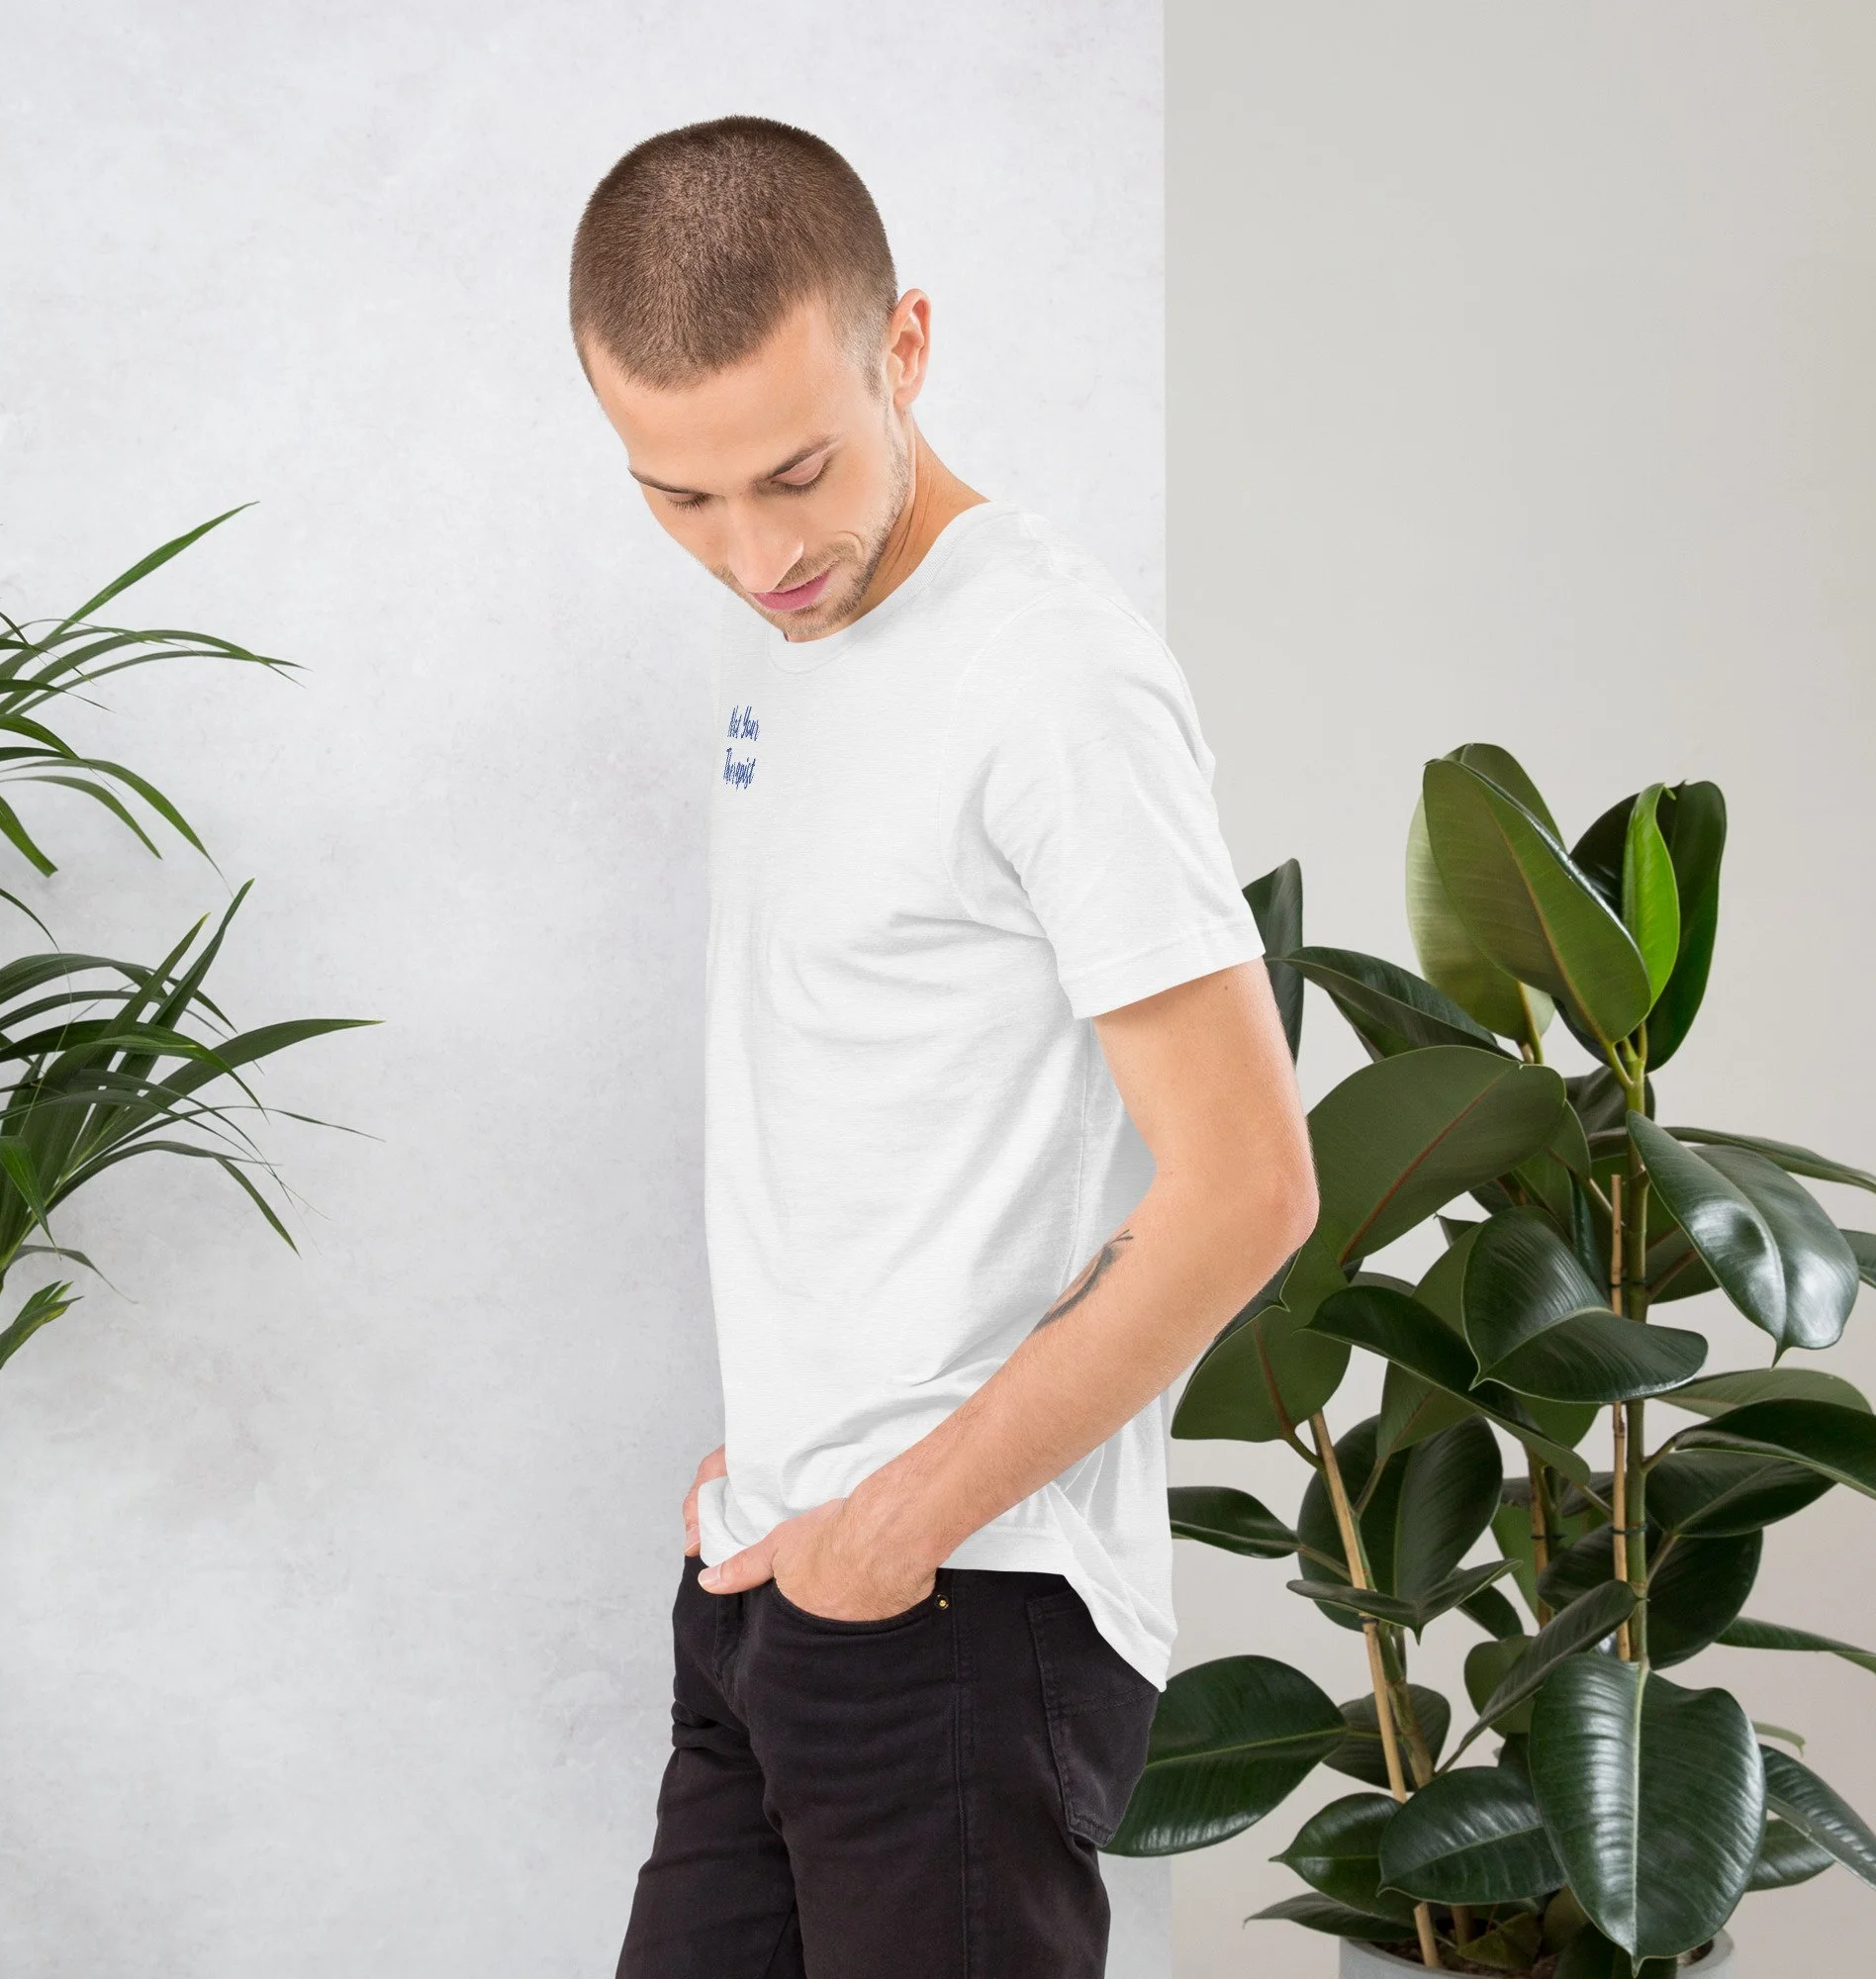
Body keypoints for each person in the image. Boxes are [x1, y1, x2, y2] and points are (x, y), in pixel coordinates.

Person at [570, 115, 1318, 1979]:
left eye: (795, 472)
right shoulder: (791, 636)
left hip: (960, 1607)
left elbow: (1248, 1183)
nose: (755, 552)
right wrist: (794, 1453)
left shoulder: (1052, 678)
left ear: (904, 345)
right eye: (681, 497)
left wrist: (899, 1517)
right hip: (774, 1578)